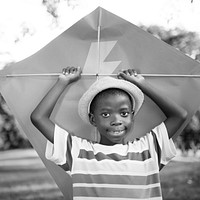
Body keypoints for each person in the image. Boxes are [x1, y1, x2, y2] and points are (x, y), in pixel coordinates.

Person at [31, 66, 187, 200]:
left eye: (124, 113)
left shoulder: (149, 149)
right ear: (93, 119)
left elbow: (180, 116)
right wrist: (63, 81)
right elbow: (38, 118)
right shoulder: (77, 151)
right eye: (106, 114)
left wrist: (141, 84)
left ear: (133, 117)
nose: (116, 120)